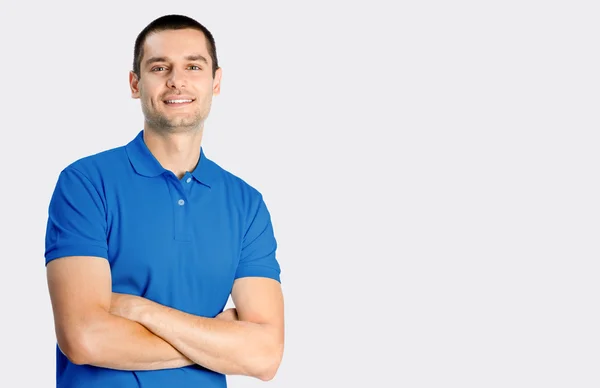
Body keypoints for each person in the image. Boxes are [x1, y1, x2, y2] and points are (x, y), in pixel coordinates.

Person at [44, 14, 284, 388]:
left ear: (215, 82)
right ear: (135, 83)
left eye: (193, 65)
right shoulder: (86, 183)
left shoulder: (246, 204)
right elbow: (85, 338)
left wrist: (140, 310)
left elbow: (265, 356)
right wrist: (219, 342)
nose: (177, 80)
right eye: (160, 67)